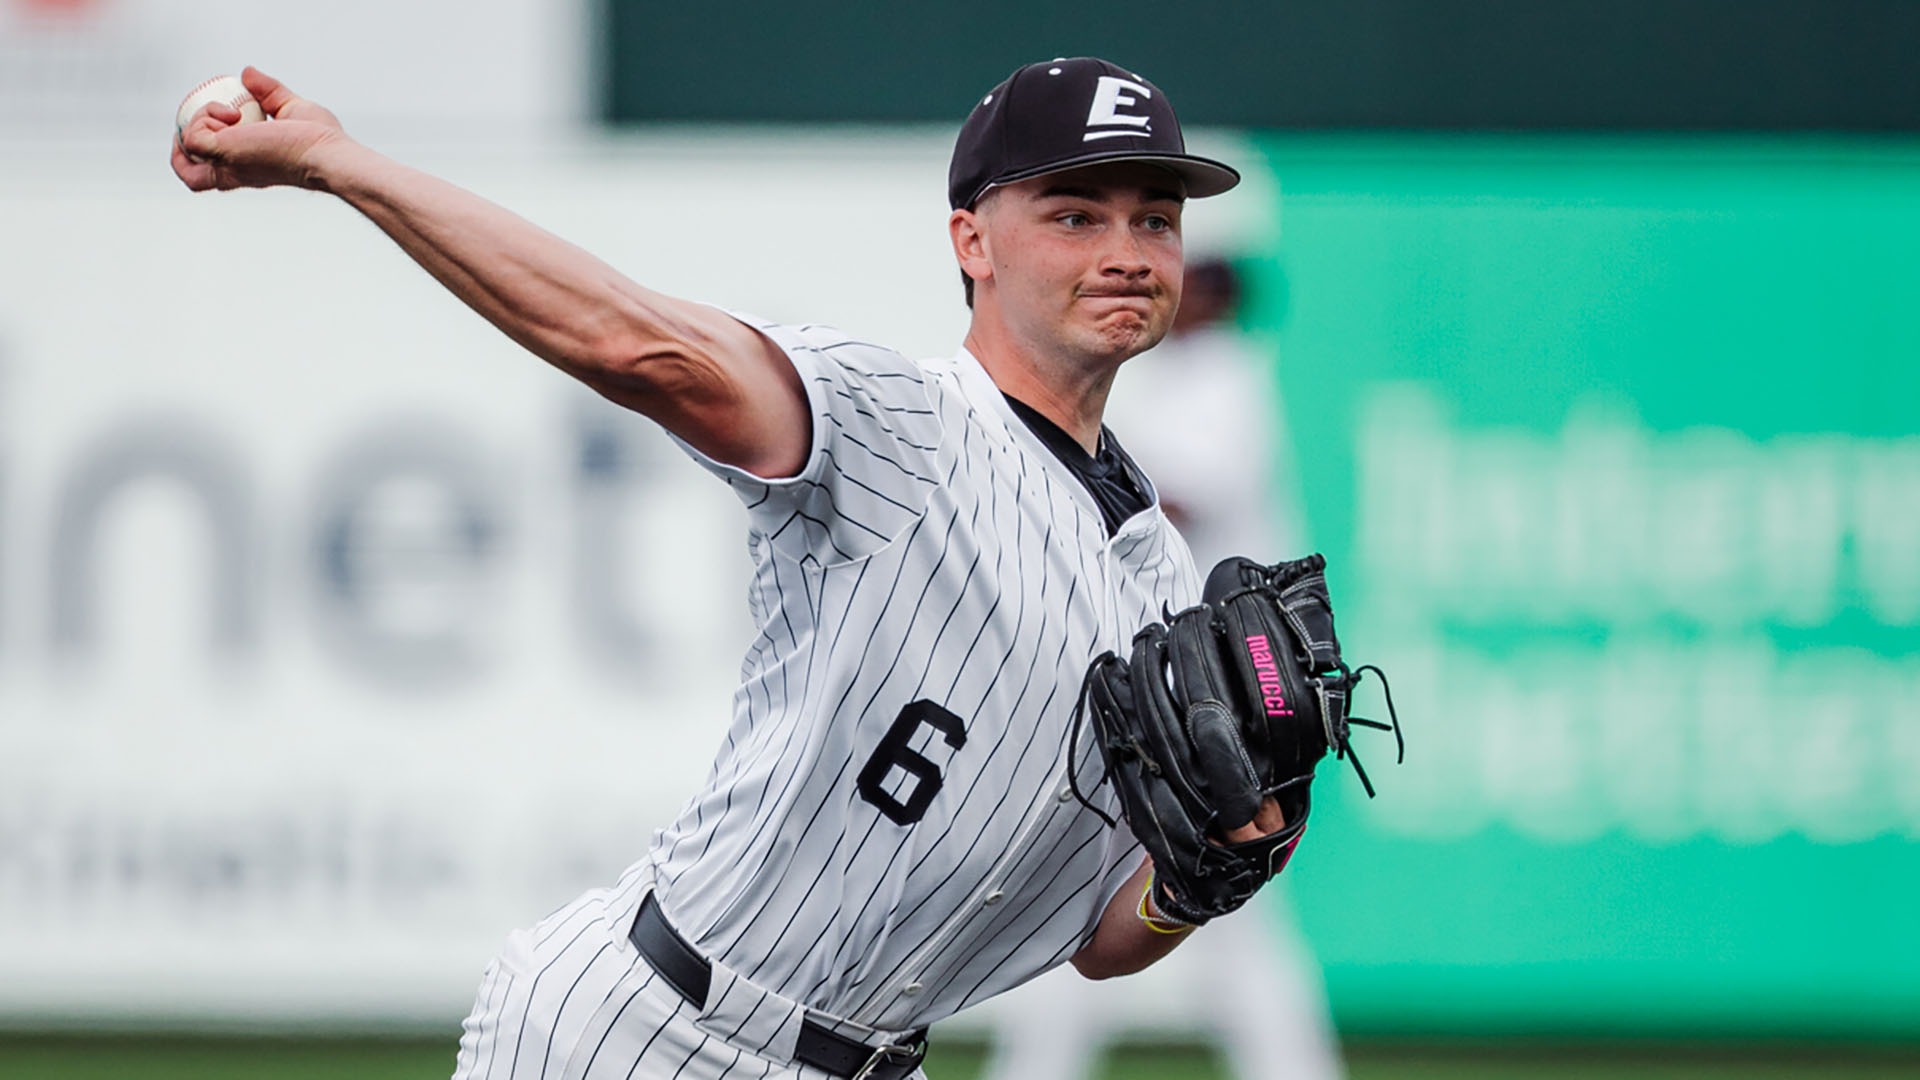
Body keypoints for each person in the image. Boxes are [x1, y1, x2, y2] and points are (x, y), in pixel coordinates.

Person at [173, 56, 1290, 1080]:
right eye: (1075, 213)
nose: (1127, 252)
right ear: (973, 242)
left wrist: (1203, 881)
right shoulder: (900, 422)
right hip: (649, 1034)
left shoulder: (1159, 573)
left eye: (1156, 218)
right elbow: (632, 342)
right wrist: (339, 162)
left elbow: (1099, 942)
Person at [978, 258, 1345, 1080]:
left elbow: (1186, 493)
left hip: (1222, 688)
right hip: (1184, 684)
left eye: (1203, 287)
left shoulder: (1225, 375)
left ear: (1222, 302)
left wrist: (1065, 479)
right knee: (1130, 884)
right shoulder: (1179, 375)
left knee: (1203, 896)